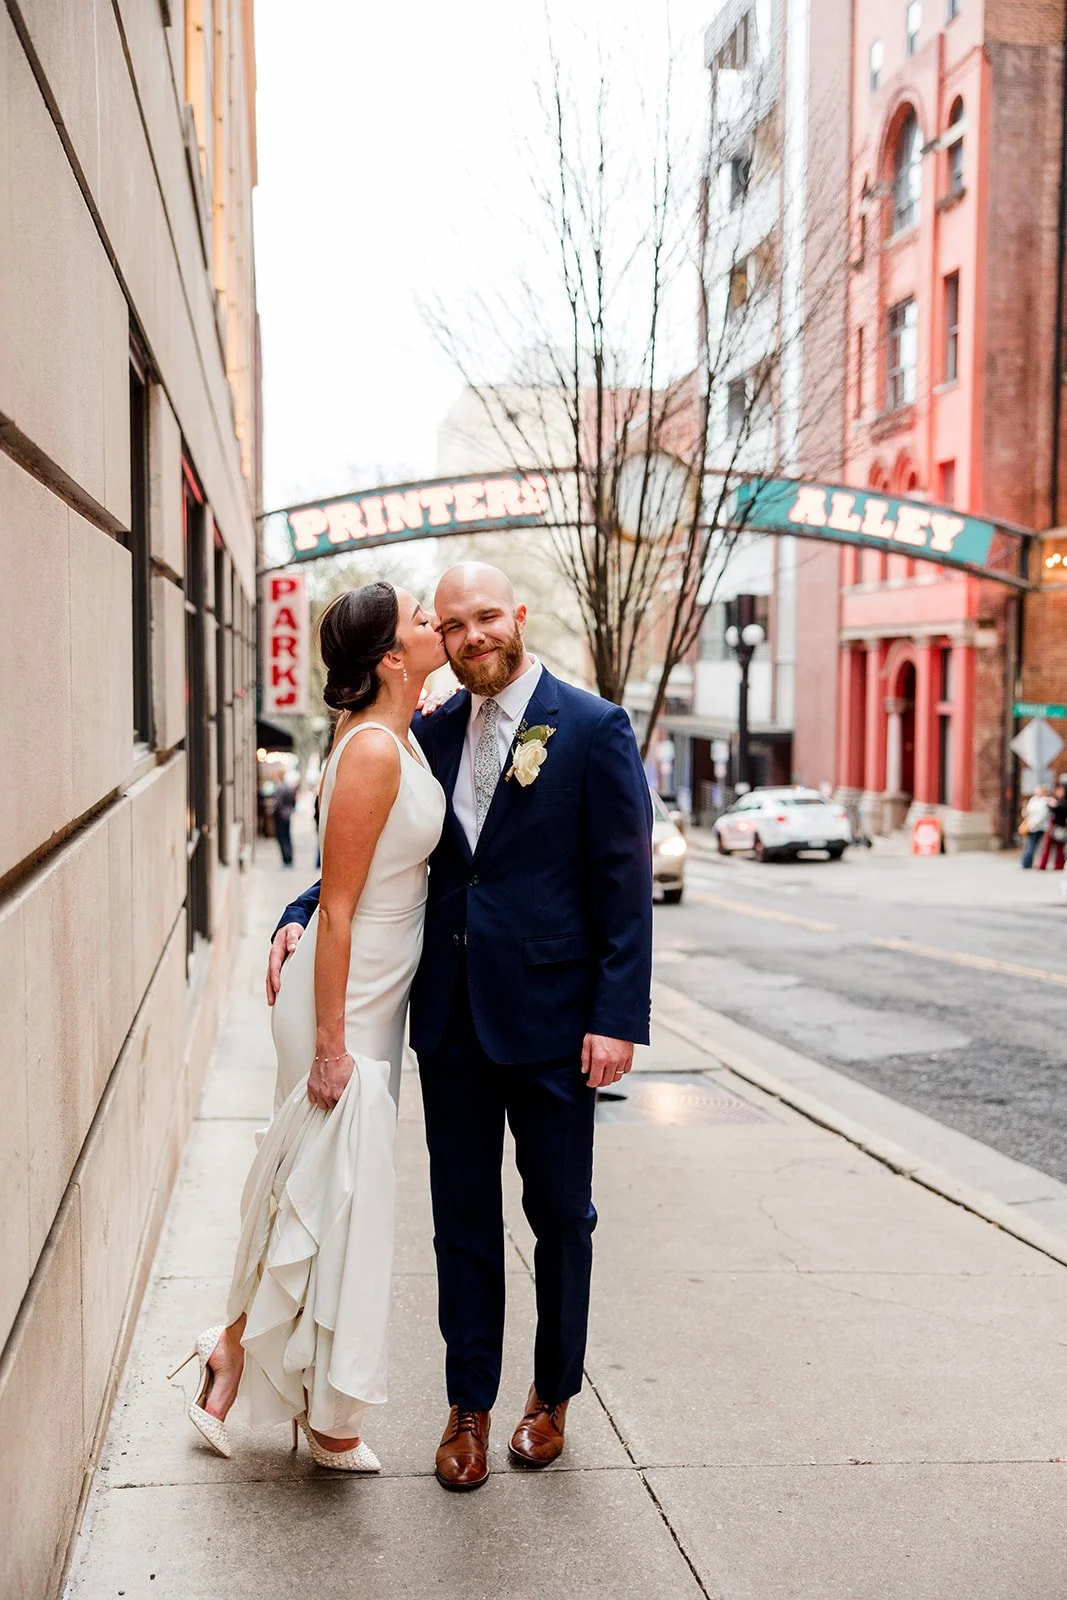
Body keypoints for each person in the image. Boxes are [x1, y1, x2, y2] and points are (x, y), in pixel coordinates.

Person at [266, 562, 653, 1491]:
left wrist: (615, 1018)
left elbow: (624, 882)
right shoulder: (428, 732)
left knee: (560, 1217)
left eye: (487, 616)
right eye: (453, 624)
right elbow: (372, 851)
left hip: (556, 1023)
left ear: (516, 616)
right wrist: (300, 910)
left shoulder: (592, 726)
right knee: (462, 1223)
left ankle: (551, 1395)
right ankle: (467, 1405)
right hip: (449, 1020)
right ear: (436, 638)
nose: (473, 635)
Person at [170, 581, 447, 1471]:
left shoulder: (401, 731)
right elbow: (338, 905)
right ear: (391, 657)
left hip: (374, 998)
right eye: (421, 618)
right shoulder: (370, 748)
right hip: (344, 1004)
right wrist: (331, 1045)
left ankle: (241, 1354)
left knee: (326, 1197)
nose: (435, 623)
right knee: (330, 1199)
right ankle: (322, 1414)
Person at [1036, 780, 1067, 871]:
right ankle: (1042, 865)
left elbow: (1062, 810)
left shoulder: (1064, 802)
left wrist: (1056, 806)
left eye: (1061, 791)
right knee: (1047, 846)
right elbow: (1049, 809)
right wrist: (1052, 805)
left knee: (1060, 847)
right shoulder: (1054, 800)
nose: (1059, 792)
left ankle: (1059, 865)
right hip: (1053, 826)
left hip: (1061, 826)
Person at [1020, 784, 1050, 869]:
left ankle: (1028, 863)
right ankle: (1027, 863)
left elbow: (1043, 815)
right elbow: (1027, 812)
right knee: (1029, 845)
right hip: (1029, 826)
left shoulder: (1045, 801)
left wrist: (1034, 824)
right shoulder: (1033, 800)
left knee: (1033, 845)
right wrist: (1024, 811)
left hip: (1039, 827)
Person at [271, 772, 298, 867]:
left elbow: (278, 804)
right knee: (287, 837)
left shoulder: (280, 787)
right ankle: (289, 858)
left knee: (282, 838)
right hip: (287, 815)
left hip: (281, 816)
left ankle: (286, 859)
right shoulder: (289, 787)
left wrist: (274, 812)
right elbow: (294, 801)